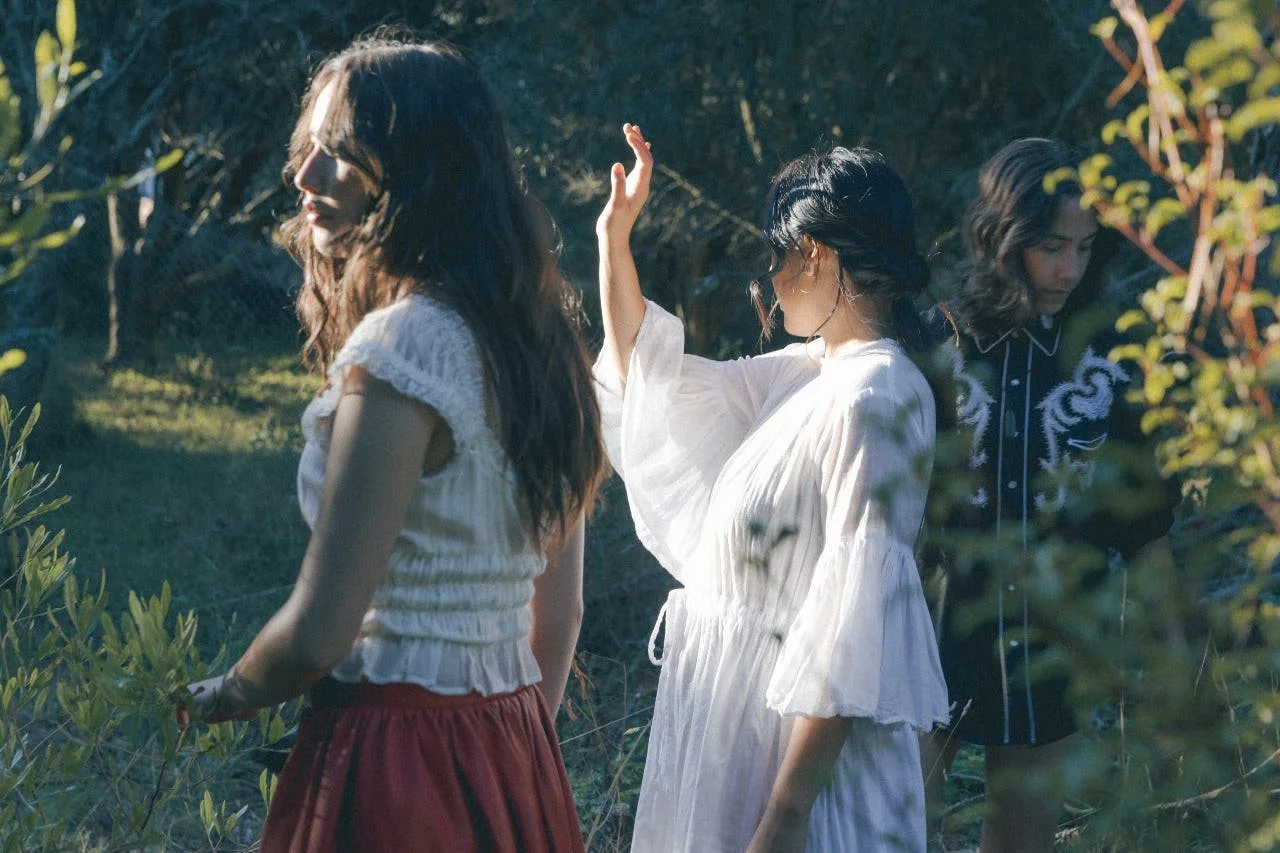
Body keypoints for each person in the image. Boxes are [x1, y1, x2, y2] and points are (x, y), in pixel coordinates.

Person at [180, 36, 604, 853]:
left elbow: (318, 632)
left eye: (337, 154)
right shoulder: (540, 345)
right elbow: (560, 612)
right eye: (309, 152)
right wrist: (509, 760)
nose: (305, 179)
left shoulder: (406, 348)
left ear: (417, 169)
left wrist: (220, 694)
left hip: (391, 758)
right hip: (513, 744)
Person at [594, 123, 950, 852]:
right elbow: (648, 380)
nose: (771, 277)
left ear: (815, 254)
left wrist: (786, 816)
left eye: (776, 256)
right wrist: (614, 239)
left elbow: (861, 621)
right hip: (737, 738)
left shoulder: (878, 394)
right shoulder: (808, 371)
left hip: (798, 773)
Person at [917, 138, 1175, 852]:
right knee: (893, 832)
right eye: (1052, 246)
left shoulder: (1109, 354)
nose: (1070, 269)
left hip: (1050, 650)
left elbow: (1146, 524)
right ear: (1004, 236)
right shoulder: (938, 341)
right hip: (929, 635)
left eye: (1086, 248)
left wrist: (1172, 663)